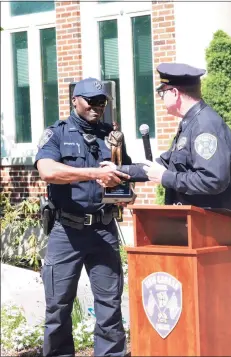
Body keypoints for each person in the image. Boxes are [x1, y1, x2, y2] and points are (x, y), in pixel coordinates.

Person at [35, 77, 132, 357]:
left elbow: (125, 175)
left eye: (102, 102)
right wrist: (94, 174)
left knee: (110, 305)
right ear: (75, 100)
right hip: (67, 231)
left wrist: (127, 191)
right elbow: (48, 171)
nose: (97, 106)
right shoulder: (58, 133)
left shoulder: (111, 136)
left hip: (103, 230)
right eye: (91, 101)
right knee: (58, 306)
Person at [101, 63, 231, 211]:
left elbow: (213, 180)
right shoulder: (191, 123)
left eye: (162, 93)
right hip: (194, 223)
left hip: (210, 225)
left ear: (175, 93)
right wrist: (119, 169)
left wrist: (165, 177)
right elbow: (163, 164)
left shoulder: (205, 126)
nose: (161, 98)